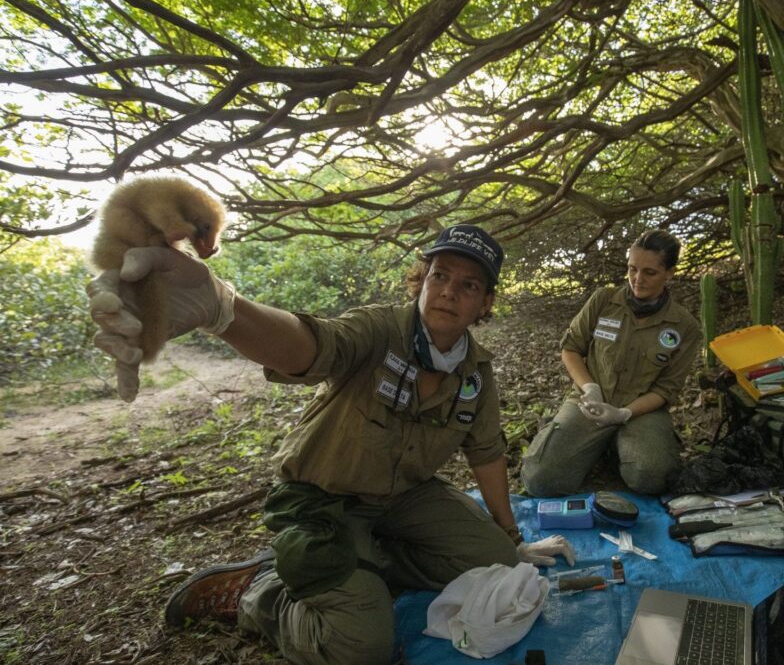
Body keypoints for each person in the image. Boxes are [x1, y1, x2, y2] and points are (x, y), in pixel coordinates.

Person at [87, 224, 575, 665]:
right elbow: (312, 347)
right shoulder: (379, 329)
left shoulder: (474, 372)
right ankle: (261, 594)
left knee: (500, 566)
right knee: (360, 649)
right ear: (422, 279)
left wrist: (513, 540)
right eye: (440, 276)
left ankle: (357, 563)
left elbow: (486, 453)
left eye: (468, 285)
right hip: (320, 499)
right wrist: (223, 310)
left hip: (403, 500)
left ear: (486, 302)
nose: (448, 292)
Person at [520, 229, 700, 497]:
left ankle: (618, 446)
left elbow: (665, 389)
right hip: (590, 401)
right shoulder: (603, 300)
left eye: (649, 272)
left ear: (670, 273)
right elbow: (570, 348)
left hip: (641, 412)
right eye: (632, 269)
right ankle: (595, 443)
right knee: (540, 480)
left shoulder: (685, 326)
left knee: (652, 477)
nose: (637, 280)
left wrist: (624, 414)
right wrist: (590, 388)